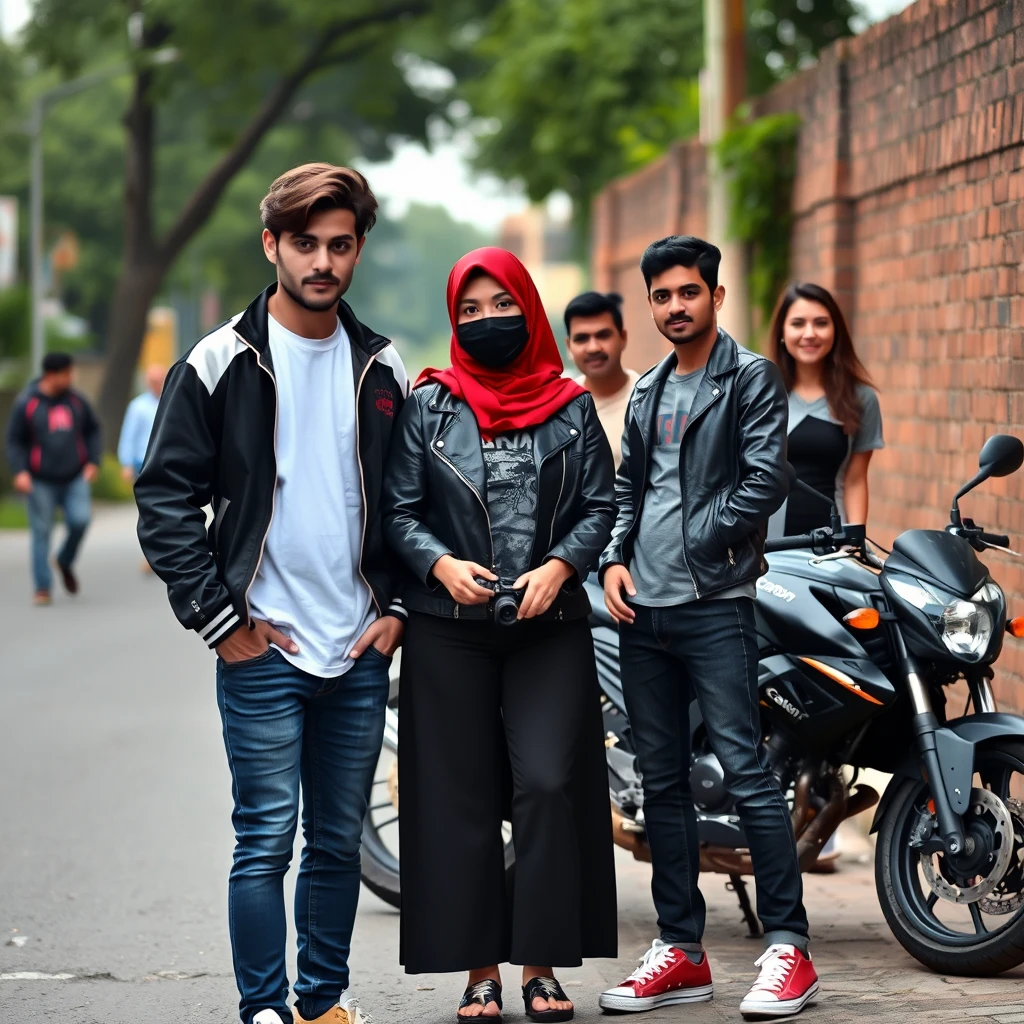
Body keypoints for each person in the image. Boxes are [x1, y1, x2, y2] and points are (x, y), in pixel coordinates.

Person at [135, 164, 409, 1024]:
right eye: (304, 244)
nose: (322, 262)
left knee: (335, 843)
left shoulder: (381, 364)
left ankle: (321, 1003)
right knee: (264, 841)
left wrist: (397, 610)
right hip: (264, 645)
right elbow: (164, 496)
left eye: (339, 244)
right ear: (272, 246)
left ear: (358, 248)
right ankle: (263, 1008)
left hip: (358, 647)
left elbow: (409, 502)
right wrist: (221, 621)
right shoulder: (222, 361)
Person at [382, 247, 618, 1023]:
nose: (488, 322)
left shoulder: (571, 405)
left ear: (529, 306)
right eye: (471, 312)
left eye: (502, 306)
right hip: (451, 628)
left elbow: (598, 505)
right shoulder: (428, 404)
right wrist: (438, 564)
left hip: (548, 625)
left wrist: (563, 564)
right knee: (462, 799)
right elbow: (399, 512)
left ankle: (540, 967)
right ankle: (481, 972)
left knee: (550, 784)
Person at [598, 236, 820, 1020]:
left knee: (745, 771)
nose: (674, 307)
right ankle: (683, 952)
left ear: (716, 297)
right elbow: (629, 487)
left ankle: (789, 949)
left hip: (716, 605)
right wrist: (617, 560)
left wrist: (696, 544)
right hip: (642, 613)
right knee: (661, 784)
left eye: (688, 292)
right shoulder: (651, 386)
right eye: (661, 296)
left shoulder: (749, 377)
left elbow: (767, 479)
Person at [768, 282, 883, 544]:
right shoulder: (762, 395)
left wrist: (853, 543)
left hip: (832, 546)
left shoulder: (861, 399)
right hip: (767, 550)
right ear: (782, 333)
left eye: (821, 323)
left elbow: (855, 480)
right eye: (798, 323)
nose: (810, 334)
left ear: (835, 331)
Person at [5, 351, 100, 606]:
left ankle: (65, 560)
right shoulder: (28, 403)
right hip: (40, 480)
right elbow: (14, 440)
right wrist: (20, 471)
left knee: (81, 521)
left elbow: (92, 430)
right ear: (51, 375)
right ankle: (42, 587)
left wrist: (93, 461)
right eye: (67, 373)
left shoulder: (77, 401)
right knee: (41, 532)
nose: (72, 377)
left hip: (74, 476)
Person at [564, 290, 638, 466]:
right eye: (582, 339)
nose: (593, 348)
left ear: (623, 338)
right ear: (569, 346)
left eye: (603, 335)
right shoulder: (561, 408)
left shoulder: (649, 402)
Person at [118, 363, 167, 481]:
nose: (157, 384)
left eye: (160, 380)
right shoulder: (137, 406)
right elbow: (129, 435)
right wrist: (126, 464)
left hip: (166, 460)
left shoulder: (171, 404)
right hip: (142, 460)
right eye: (153, 381)